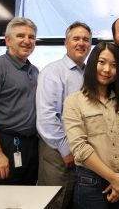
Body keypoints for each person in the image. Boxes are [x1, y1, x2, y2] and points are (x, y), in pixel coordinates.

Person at [63, 42, 119, 209]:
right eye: (102, 62)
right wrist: (113, 178)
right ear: (92, 64)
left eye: (113, 65)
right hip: (91, 183)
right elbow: (80, 147)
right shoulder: (74, 101)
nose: (107, 70)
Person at [36, 21, 92, 208]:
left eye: (86, 39)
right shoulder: (53, 71)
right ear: (66, 43)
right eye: (76, 38)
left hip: (82, 151)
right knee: (57, 201)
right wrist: (65, 149)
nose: (81, 43)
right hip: (58, 151)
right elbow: (47, 115)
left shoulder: (88, 74)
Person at [0, 17, 39, 184]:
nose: (27, 41)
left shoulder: (34, 71)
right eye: (20, 36)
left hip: (31, 145)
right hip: (5, 144)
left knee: (27, 198)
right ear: (8, 40)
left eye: (31, 37)